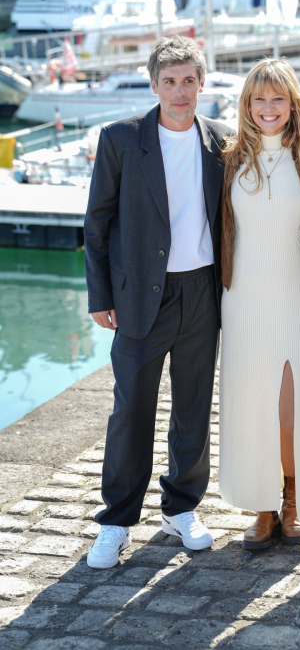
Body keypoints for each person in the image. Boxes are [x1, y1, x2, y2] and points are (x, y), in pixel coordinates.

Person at [83, 35, 234, 568]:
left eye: (189, 81)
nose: (180, 91)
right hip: (140, 296)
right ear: (154, 86)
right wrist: (100, 295)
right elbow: (97, 222)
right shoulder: (122, 139)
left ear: (201, 84)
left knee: (192, 407)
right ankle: (118, 520)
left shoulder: (221, 140)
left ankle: (181, 508)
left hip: (201, 292)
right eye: (169, 82)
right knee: (131, 411)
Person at [219, 57, 300, 551]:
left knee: (289, 408)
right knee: (251, 406)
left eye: (278, 98)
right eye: (259, 99)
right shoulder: (229, 160)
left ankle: (292, 500)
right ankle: (263, 507)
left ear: (293, 104)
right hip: (242, 298)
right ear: (247, 105)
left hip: (294, 294)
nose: (269, 108)